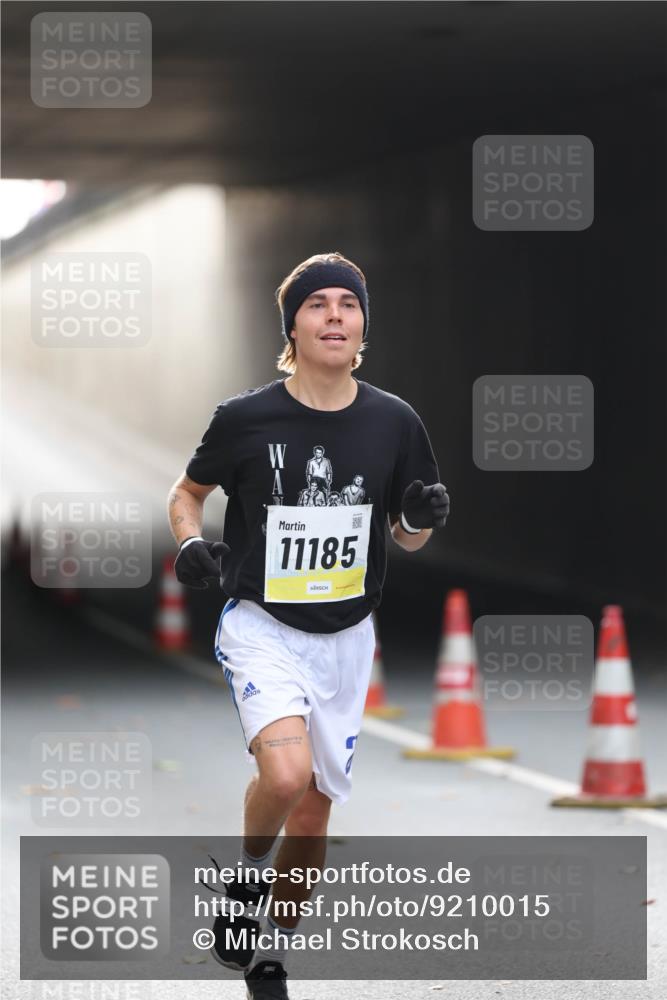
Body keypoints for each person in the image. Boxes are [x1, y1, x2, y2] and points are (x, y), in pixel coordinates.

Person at [167, 251, 449, 999]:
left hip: (347, 640)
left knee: (316, 807)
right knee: (286, 776)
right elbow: (186, 494)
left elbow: (405, 531)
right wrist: (191, 544)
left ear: (362, 325)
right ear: (292, 324)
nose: (334, 316)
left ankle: (273, 957)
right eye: (317, 304)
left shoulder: (395, 421)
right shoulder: (245, 417)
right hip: (263, 625)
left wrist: (419, 519)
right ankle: (244, 882)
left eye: (347, 305)